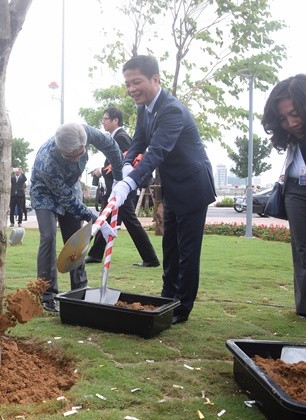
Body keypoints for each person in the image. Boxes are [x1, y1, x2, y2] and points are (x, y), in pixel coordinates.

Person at [109, 55, 216, 324]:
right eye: (127, 84)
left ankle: (182, 308)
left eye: (136, 82)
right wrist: (124, 167)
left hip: (192, 185)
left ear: (155, 80)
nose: (131, 89)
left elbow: (156, 151)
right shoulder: (144, 109)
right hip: (171, 186)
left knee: (187, 250)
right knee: (170, 247)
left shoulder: (171, 110)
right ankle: (167, 298)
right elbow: (138, 142)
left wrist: (131, 182)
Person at [30, 122, 124, 313]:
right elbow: (66, 200)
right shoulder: (47, 162)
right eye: (71, 156)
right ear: (61, 149)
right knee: (48, 237)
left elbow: (110, 146)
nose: (76, 159)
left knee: (75, 238)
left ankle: (80, 289)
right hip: (45, 192)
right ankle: (47, 294)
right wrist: (98, 220)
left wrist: (119, 176)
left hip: (71, 186)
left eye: (80, 154)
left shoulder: (85, 132)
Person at [261, 74, 306, 320]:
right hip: (295, 191)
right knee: (302, 250)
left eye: (295, 114)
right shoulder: (290, 135)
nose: (291, 122)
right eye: (283, 118)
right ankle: (305, 309)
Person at [86, 107, 160, 268]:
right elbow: (115, 163)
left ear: (115, 120)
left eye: (106, 119)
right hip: (118, 188)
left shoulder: (121, 138)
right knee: (105, 219)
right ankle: (95, 254)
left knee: (127, 222)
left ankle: (151, 258)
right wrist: (102, 170)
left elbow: (127, 163)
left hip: (122, 189)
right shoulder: (117, 137)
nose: (103, 122)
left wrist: (105, 173)